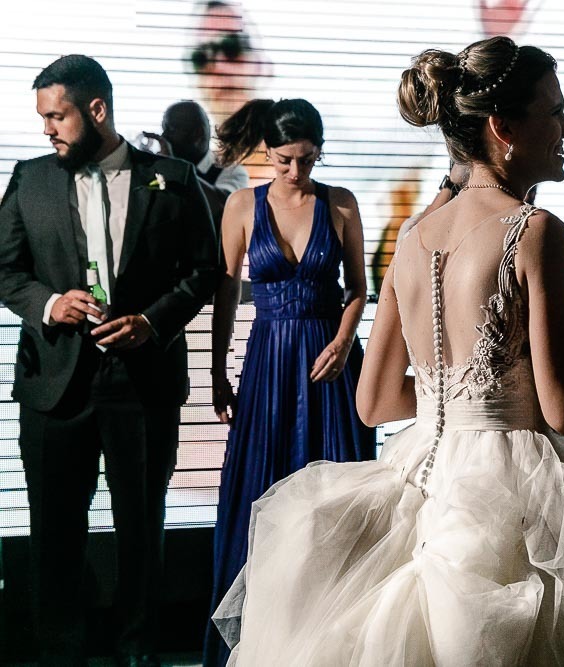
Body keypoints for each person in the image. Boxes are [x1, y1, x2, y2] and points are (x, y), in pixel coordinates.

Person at [212, 36, 564, 664]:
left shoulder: (416, 235)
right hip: (512, 492)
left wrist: (462, 395)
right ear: (503, 128)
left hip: (421, 477)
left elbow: (374, 403)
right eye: (555, 112)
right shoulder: (536, 231)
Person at [0, 55, 219, 666]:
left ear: (96, 110)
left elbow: (204, 270)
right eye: (43, 117)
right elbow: (4, 269)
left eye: (57, 116)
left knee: (141, 529)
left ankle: (138, 651)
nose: (47, 128)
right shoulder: (29, 179)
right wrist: (48, 304)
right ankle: (58, 654)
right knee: (55, 533)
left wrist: (152, 322)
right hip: (54, 388)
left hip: (143, 384)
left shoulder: (172, 178)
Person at [203, 97, 376, 667]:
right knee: (259, 491)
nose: (296, 171)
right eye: (284, 161)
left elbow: (359, 289)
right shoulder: (241, 206)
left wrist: (344, 341)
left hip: (329, 366)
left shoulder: (341, 204)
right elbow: (226, 291)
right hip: (268, 367)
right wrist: (217, 371)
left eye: (306, 159)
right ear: (267, 153)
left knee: (337, 499)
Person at [140, 100, 249, 227]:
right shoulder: (161, 169)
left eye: (171, 129)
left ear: (197, 133)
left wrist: (174, 168)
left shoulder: (231, 172)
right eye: (164, 129)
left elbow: (223, 208)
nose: (164, 136)